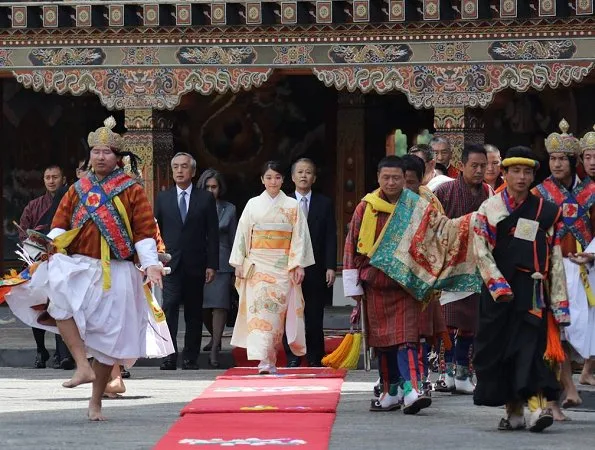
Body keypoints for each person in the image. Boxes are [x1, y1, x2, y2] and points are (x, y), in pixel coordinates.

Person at [6, 116, 172, 421]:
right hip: (81, 266)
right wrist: (48, 246)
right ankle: (82, 364)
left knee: (109, 339)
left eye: (107, 152)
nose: (100, 156)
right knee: (59, 302)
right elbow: (60, 225)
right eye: (96, 151)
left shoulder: (132, 190)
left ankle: (95, 400)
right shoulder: (78, 188)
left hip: (118, 271)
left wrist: (150, 265)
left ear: (118, 157)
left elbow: (144, 230)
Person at [473, 146, 569, 432]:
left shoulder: (545, 211)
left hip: (532, 291)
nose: (522, 177)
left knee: (532, 347)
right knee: (500, 351)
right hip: (499, 292)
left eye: (527, 172)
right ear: (504, 173)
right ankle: (513, 410)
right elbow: (480, 251)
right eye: (515, 171)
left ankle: (537, 408)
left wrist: (559, 299)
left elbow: (554, 257)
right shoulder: (489, 209)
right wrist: (498, 284)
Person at [343, 155, 431, 413]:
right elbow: (351, 244)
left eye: (396, 178)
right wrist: (353, 286)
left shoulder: (416, 206)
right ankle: (389, 391)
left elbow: (429, 242)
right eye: (386, 177)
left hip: (405, 284)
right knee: (382, 342)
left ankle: (412, 390)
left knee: (407, 340)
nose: (391, 182)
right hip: (375, 284)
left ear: (405, 179)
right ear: (378, 178)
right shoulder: (365, 207)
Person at [532, 119, 595, 419]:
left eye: (562, 159)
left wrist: (592, 254)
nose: (556, 164)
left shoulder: (592, 192)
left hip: (585, 272)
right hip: (551, 270)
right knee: (555, 333)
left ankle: (565, 390)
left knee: (576, 333)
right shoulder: (539, 193)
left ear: (572, 161)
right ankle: (558, 396)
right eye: (552, 159)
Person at [230, 161, 314, 375]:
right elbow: (242, 234)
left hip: (282, 266)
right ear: (262, 180)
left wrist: (297, 264)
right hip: (257, 266)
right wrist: (239, 262)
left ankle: (271, 357)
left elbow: (299, 237)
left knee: (276, 316)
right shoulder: (252, 204)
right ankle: (264, 361)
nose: (273, 181)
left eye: (277, 177)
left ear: (283, 180)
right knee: (259, 313)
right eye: (268, 177)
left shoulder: (292, 206)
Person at [434, 144, 490, 394]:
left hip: (477, 264)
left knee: (470, 320)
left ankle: (464, 372)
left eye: (483, 166)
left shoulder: (488, 193)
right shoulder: (445, 191)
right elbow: (434, 225)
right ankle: (446, 373)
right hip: (449, 263)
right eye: (474, 166)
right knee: (448, 321)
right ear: (463, 166)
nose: (479, 171)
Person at [155, 152, 220, 370]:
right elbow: (156, 232)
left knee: (194, 311)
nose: (180, 171)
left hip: (196, 263)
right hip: (170, 263)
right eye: (176, 167)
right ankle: (169, 356)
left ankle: (190, 357)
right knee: (169, 307)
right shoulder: (163, 198)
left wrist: (212, 264)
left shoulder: (205, 198)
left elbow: (213, 234)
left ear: (192, 171)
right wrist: (156, 259)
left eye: (184, 167)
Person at [402, 154, 449, 395]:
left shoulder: (431, 202)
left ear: (422, 180)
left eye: (411, 181)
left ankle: (420, 378)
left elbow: (441, 236)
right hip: (393, 277)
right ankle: (395, 382)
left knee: (421, 332)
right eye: (402, 180)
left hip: (424, 275)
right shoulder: (382, 200)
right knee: (398, 333)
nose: (405, 186)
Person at [18, 164, 73, 370]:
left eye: (55, 177)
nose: (51, 181)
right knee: (38, 305)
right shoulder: (34, 206)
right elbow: (23, 233)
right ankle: (41, 350)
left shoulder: (69, 203)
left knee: (60, 305)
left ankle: (63, 354)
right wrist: (36, 246)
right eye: (48, 177)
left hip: (62, 261)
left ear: (63, 179)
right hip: (38, 261)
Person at [285, 158, 337, 367]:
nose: (304, 176)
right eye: (300, 172)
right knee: (291, 316)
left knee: (314, 315)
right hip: (289, 268)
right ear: (292, 177)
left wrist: (331, 266)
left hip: (315, 268)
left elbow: (330, 237)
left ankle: (316, 357)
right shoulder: (285, 202)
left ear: (314, 178)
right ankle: (292, 357)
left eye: (308, 172)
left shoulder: (324, 203)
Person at [196, 168, 237, 368]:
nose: (211, 190)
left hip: (222, 262)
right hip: (199, 261)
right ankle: (215, 337)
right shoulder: (194, 206)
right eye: (207, 187)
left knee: (220, 306)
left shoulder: (229, 209)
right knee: (203, 307)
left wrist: (236, 267)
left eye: (214, 186)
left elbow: (234, 238)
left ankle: (214, 351)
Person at [577, 125, 595, 386]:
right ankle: (586, 369)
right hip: (584, 260)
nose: (593, 162)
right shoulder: (578, 191)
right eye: (588, 157)